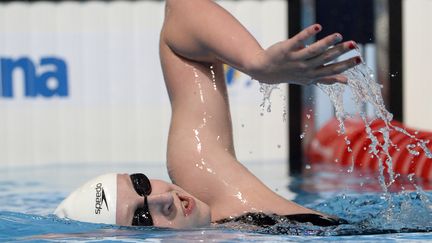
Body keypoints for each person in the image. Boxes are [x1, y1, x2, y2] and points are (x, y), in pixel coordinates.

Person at [54, 0, 361, 229]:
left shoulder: (202, 175)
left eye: (140, 183)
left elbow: (181, 10)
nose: (163, 199)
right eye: (142, 217)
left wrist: (256, 63)